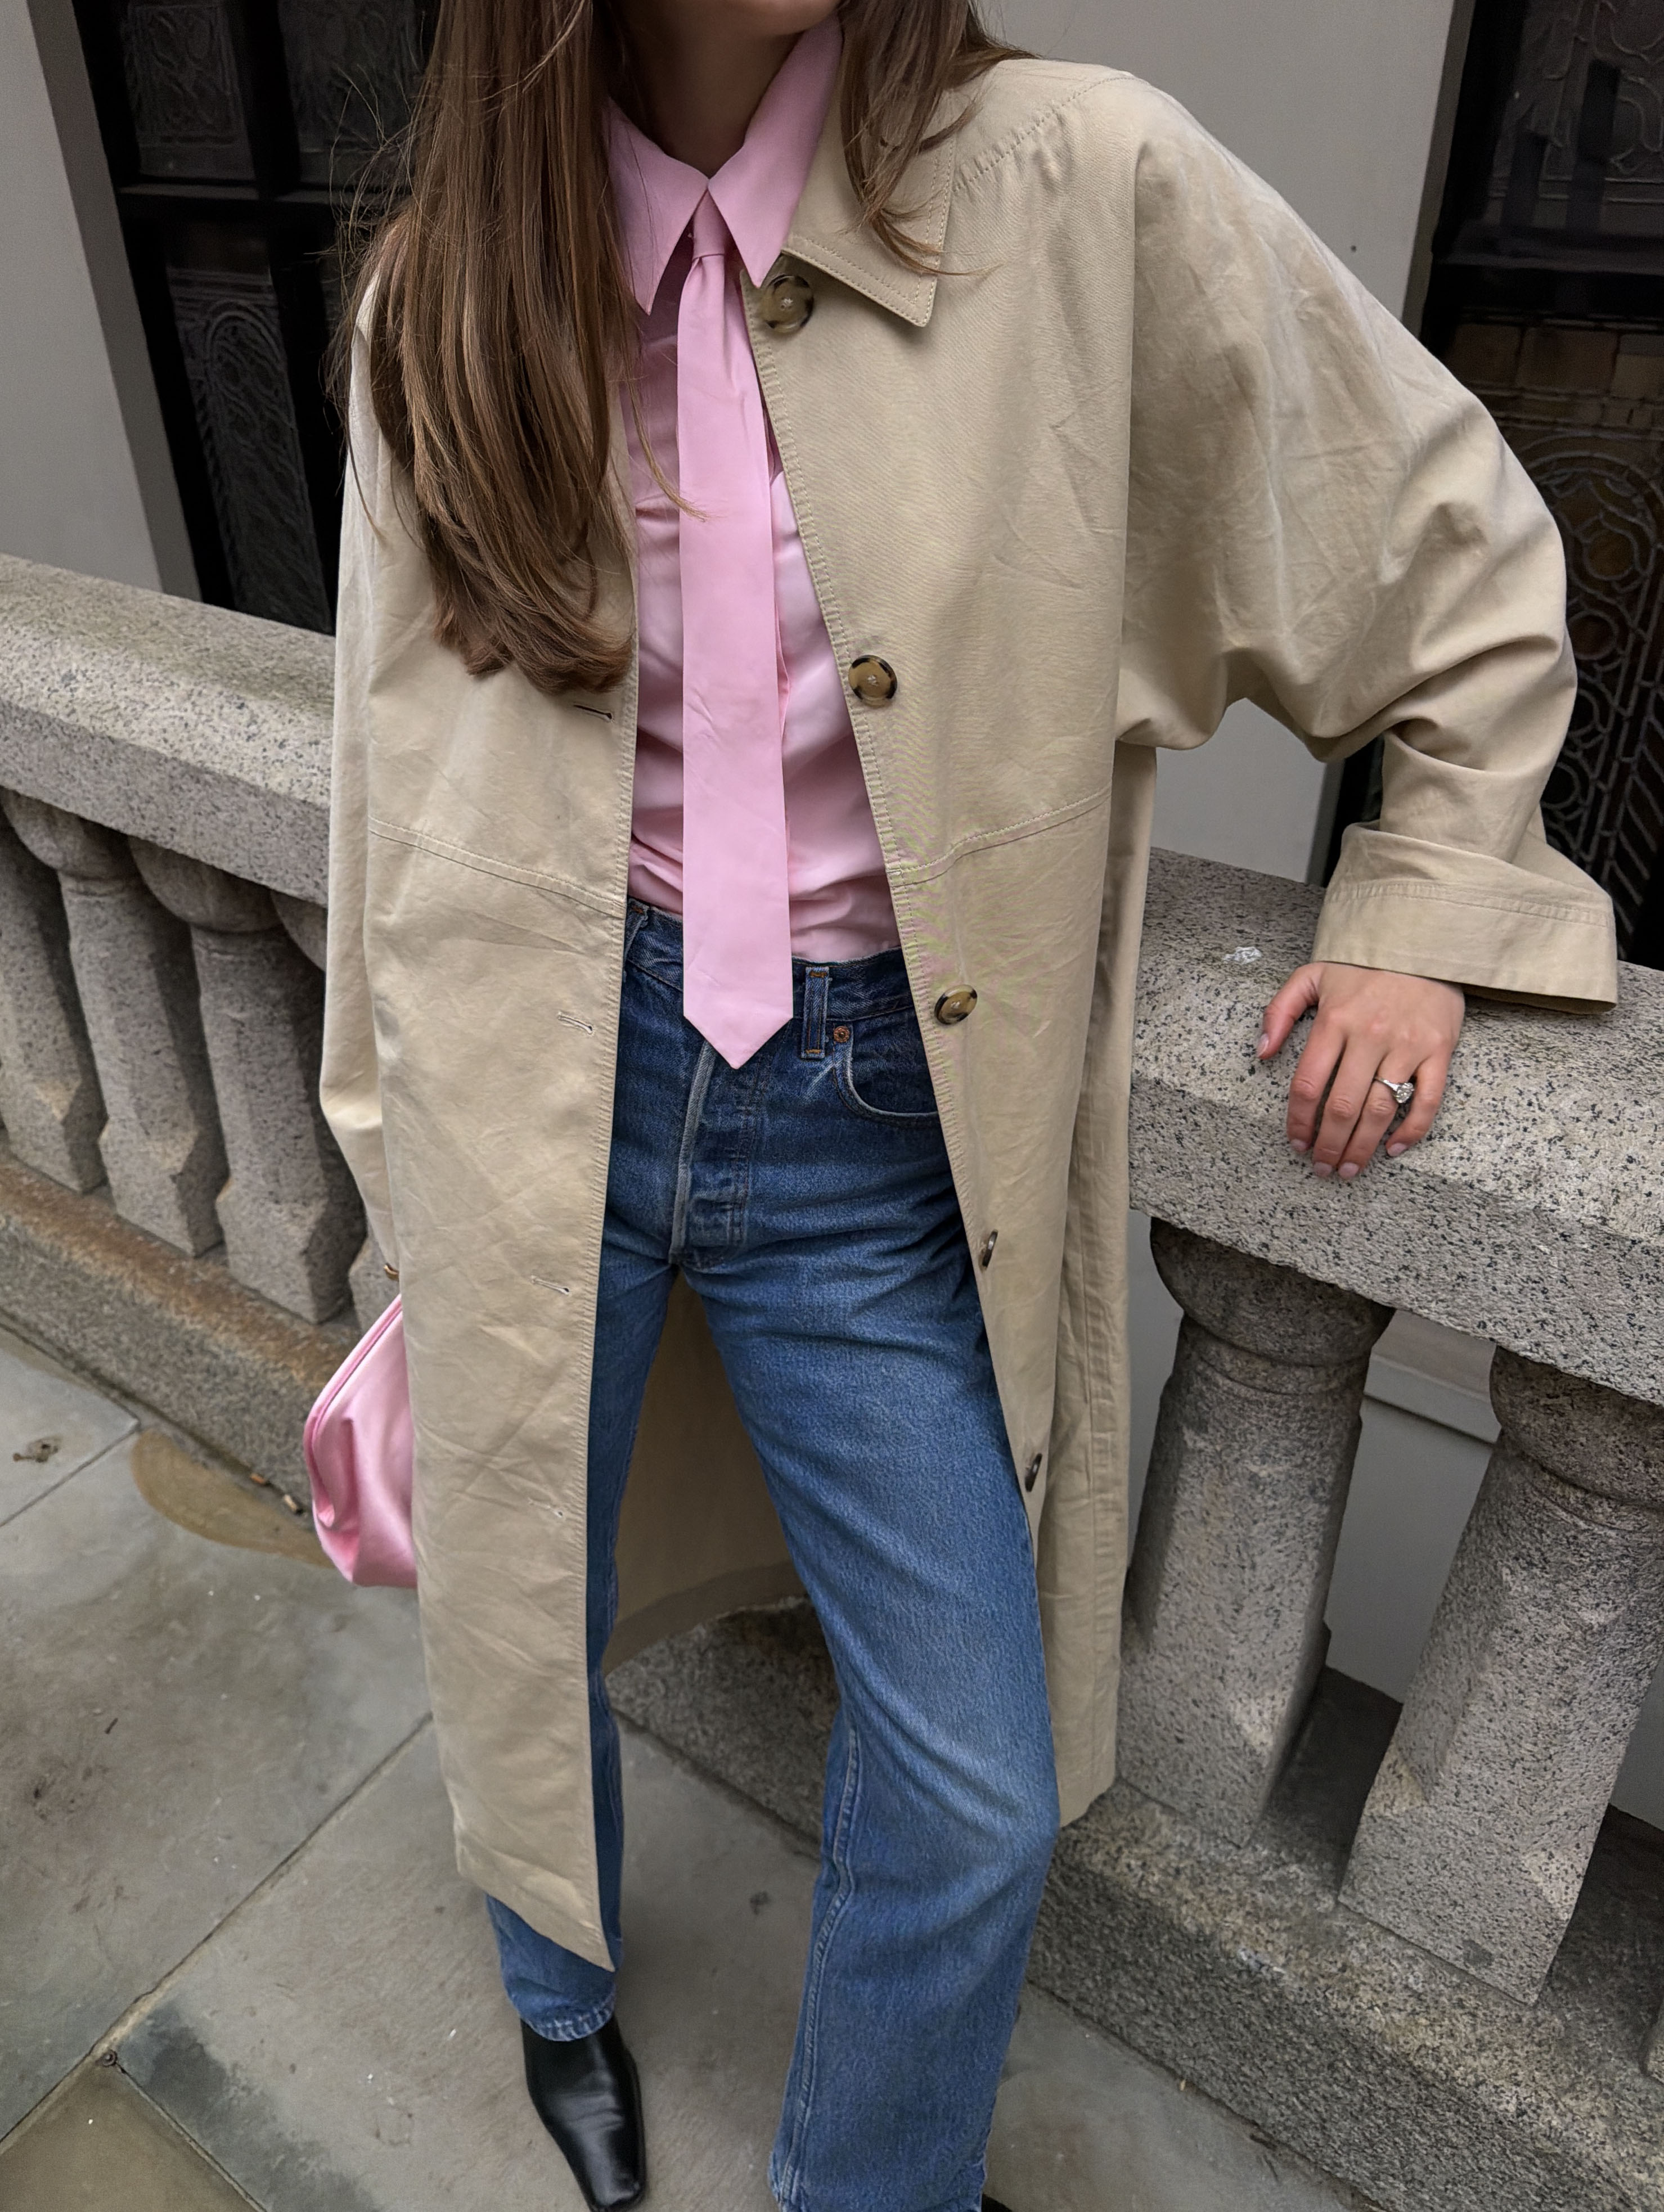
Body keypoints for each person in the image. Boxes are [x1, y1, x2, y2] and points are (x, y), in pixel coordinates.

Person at [321, 0, 1618, 2205]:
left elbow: (1447, 543)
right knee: (513, 1599)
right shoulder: (435, 292)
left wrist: (1422, 889)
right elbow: (385, 801)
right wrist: (394, 1207)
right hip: (540, 1086)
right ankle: (554, 1997)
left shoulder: (1080, 185)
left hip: (862, 1136)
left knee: (971, 1790)